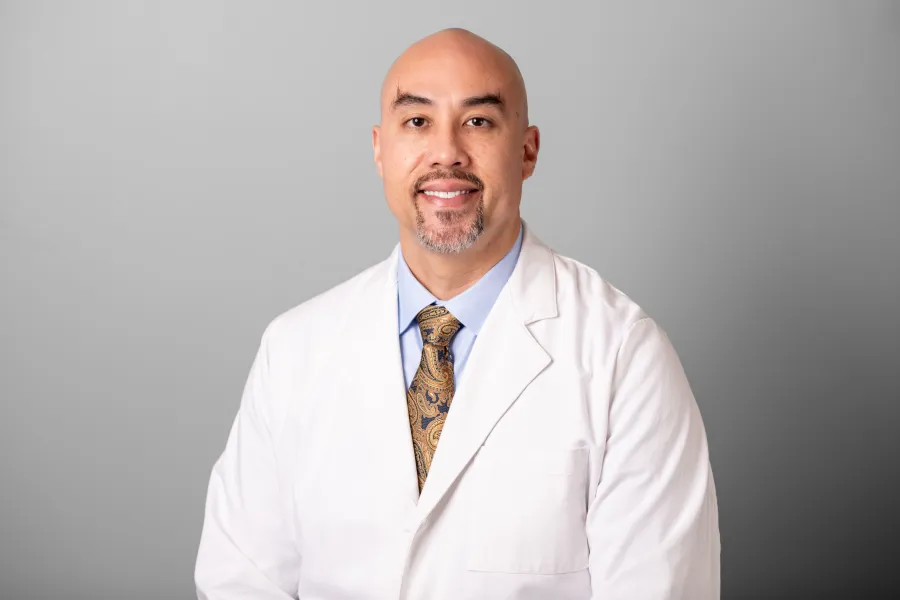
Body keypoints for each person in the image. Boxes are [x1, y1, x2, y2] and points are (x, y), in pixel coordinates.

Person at [194, 27, 720, 600]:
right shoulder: (294, 349)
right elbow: (240, 580)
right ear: (379, 148)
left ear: (527, 150)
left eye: (479, 121)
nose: (446, 151)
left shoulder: (623, 355)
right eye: (417, 121)